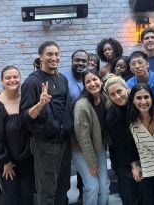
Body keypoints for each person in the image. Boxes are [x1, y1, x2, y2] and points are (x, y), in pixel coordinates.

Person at [20, 41, 73, 205]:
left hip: (64, 141)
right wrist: (40, 104)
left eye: (57, 54)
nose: (54, 58)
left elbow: (66, 108)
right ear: (41, 57)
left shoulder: (62, 79)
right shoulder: (32, 82)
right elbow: (25, 117)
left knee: (63, 187)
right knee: (47, 190)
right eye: (50, 54)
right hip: (45, 144)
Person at [0, 66, 34, 205]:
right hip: (7, 160)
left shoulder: (26, 99)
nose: (12, 80)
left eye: (15, 77)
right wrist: (5, 161)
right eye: (8, 77)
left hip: (28, 157)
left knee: (27, 194)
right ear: (2, 81)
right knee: (11, 195)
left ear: (20, 78)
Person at [72, 69, 110, 205]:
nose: (92, 83)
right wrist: (91, 162)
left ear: (101, 81)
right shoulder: (82, 105)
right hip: (81, 150)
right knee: (92, 186)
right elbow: (83, 138)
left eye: (95, 79)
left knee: (104, 185)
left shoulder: (106, 98)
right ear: (84, 85)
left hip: (98, 146)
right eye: (88, 81)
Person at [104, 76, 140, 205]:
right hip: (125, 159)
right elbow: (120, 145)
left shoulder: (138, 104)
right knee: (129, 195)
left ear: (127, 89)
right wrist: (134, 164)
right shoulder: (112, 116)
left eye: (119, 91)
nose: (117, 97)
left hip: (145, 155)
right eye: (112, 94)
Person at [63, 49, 89, 204]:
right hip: (68, 131)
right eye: (77, 60)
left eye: (83, 61)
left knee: (84, 167)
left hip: (85, 131)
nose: (80, 63)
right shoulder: (64, 78)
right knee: (66, 167)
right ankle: (64, 198)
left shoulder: (89, 77)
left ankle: (82, 196)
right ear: (72, 61)